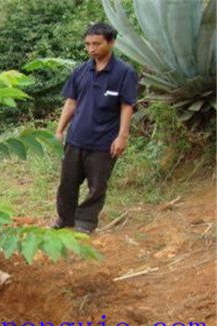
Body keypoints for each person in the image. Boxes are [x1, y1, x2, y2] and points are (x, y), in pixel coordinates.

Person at [52, 23, 138, 234]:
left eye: (96, 44)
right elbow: (71, 102)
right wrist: (59, 130)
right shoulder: (81, 71)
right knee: (67, 184)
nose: (91, 49)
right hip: (76, 139)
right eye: (88, 44)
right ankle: (65, 220)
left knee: (97, 187)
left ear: (111, 42)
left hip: (104, 143)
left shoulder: (124, 73)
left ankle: (85, 223)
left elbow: (127, 106)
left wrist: (122, 136)